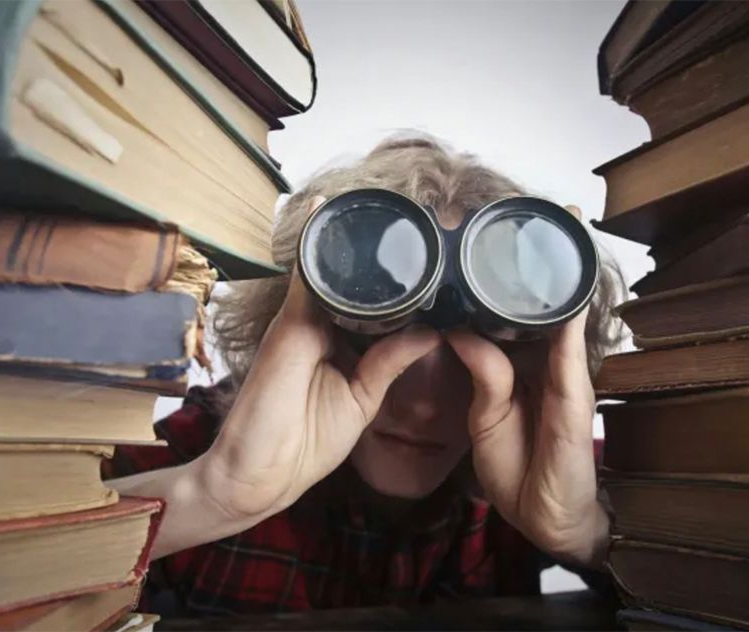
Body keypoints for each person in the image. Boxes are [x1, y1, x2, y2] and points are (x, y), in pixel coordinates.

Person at [107, 134, 624, 616]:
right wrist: (210, 495)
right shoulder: (204, 446)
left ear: (533, 368)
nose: (422, 406)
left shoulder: (548, 463)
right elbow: (24, 561)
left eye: (468, 363)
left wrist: (586, 534)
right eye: (378, 337)